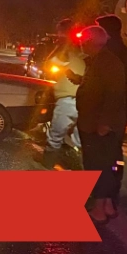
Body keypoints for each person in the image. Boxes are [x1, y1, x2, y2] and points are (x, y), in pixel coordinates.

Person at [72, 26, 127, 224]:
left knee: (97, 166)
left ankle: (99, 210)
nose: (80, 44)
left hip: (98, 126)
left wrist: (104, 123)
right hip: (94, 123)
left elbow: (114, 94)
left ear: (90, 42)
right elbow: (98, 86)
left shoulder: (107, 62)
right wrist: (79, 80)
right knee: (104, 164)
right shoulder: (99, 60)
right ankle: (107, 205)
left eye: (83, 40)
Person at [96, 14, 127, 209]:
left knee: (107, 155)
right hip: (119, 112)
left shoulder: (113, 54)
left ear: (108, 32)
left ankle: (108, 200)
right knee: (112, 154)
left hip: (112, 114)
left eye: (100, 30)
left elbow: (114, 90)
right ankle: (109, 198)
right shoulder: (121, 51)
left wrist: (105, 119)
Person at [43, 19, 85, 162]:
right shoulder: (84, 48)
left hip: (68, 99)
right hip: (86, 99)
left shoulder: (66, 50)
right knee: (81, 137)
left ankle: (48, 162)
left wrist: (60, 45)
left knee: (56, 133)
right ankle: (79, 162)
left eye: (60, 32)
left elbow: (49, 64)